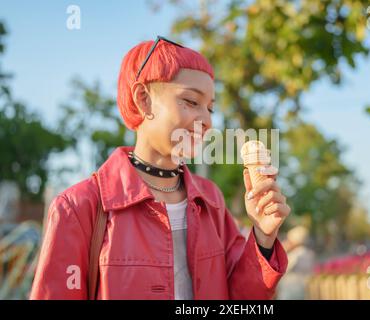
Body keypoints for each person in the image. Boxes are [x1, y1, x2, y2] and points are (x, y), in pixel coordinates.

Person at [29, 36, 290, 299]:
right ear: (143, 99)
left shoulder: (212, 201)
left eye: (210, 108)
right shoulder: (78, 207)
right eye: (191, 101)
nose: (207, 120)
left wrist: (263, 238)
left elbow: (241, 297)